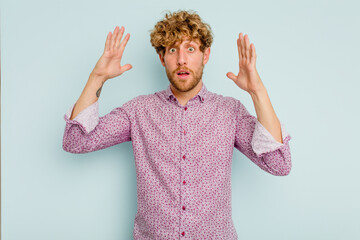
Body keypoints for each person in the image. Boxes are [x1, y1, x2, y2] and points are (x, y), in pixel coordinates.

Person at [63, 10, 292, 239]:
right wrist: (97, 76)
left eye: (190, 48)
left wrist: (257, 91)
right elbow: (76, 140)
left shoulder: (230, 112)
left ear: (205, 55)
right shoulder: (138, 111)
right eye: (173, 50)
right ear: (162, 58)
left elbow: (279, 164)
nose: (182, 59)